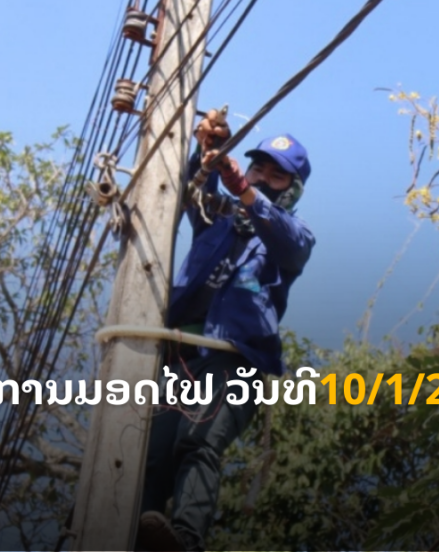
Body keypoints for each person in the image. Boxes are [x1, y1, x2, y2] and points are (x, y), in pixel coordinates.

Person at [135, 109, 315, 552]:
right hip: (179, 358)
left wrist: (242, 189)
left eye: (276, 175)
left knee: (198, 441)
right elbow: (185, 189)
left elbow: (284, 235)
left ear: (292, 190)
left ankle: (186, 541)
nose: (262, 178)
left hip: (234, 359)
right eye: (258, 168)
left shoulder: (294, 237)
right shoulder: (216, 220)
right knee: (148, 461)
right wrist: (209, 150)